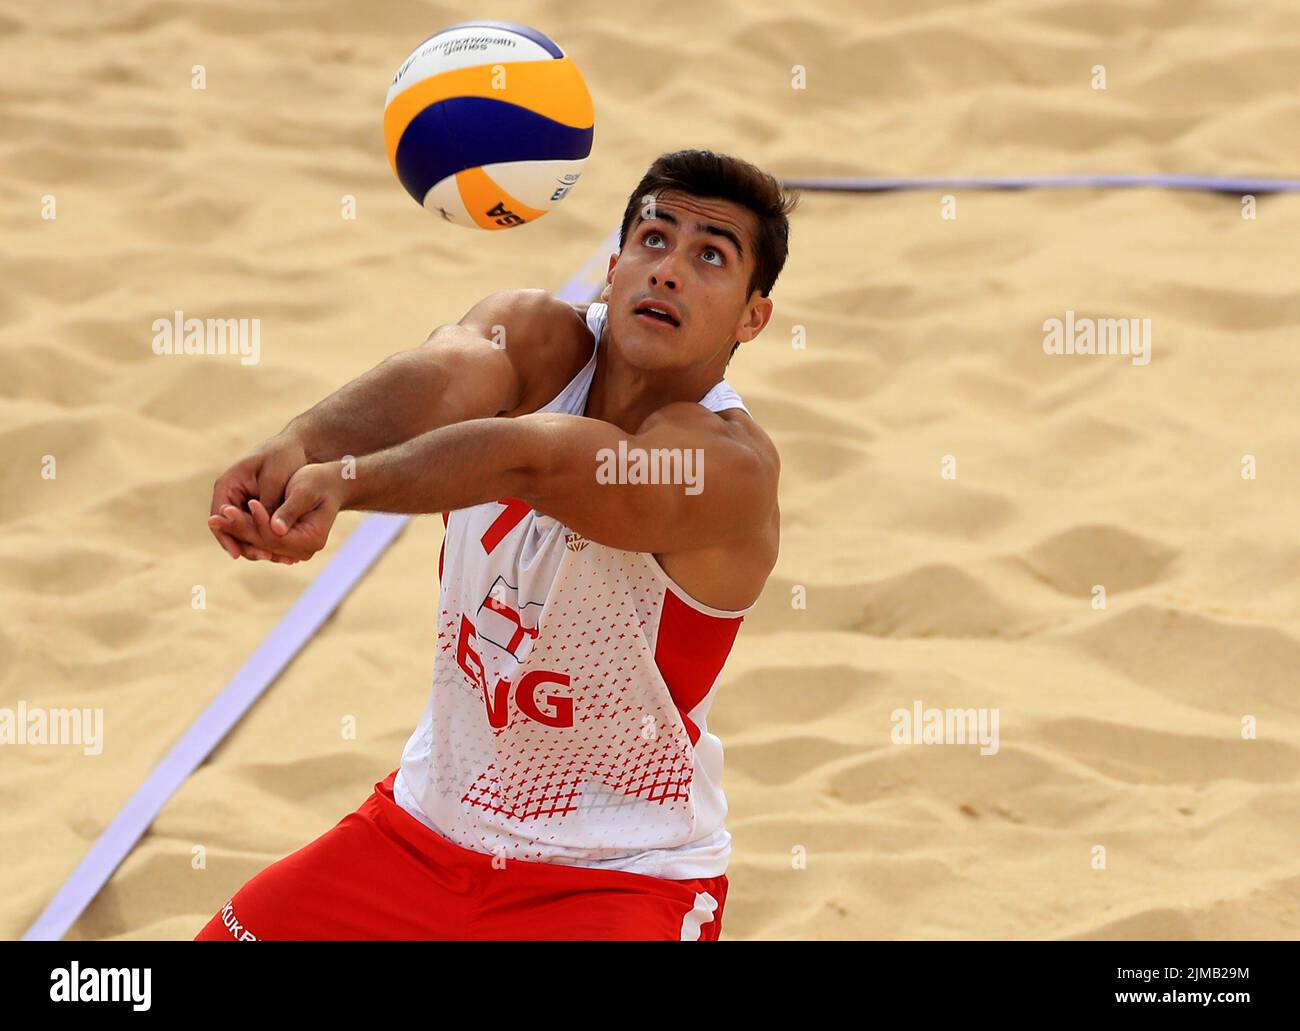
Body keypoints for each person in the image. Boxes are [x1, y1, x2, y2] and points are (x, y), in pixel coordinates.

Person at [195, 149, 796, 941]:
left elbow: (537, 461)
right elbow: (442, 376)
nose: (670, 270)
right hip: (419, 832)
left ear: (753, 317)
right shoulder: (535, 339)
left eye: (710, 255)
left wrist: (347, 480)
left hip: (615, 880)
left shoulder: (726, 469)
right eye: (654, 239)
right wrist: (301, 441)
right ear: (612, 268)